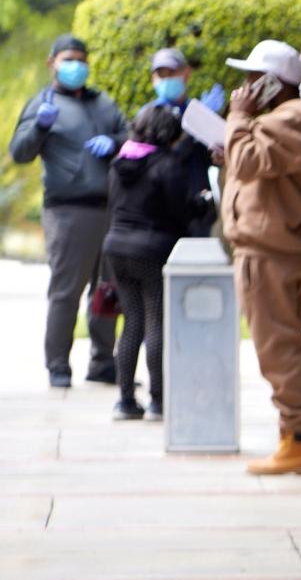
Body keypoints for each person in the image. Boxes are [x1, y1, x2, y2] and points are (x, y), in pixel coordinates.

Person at [220, 39, 301, 476]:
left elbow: (250, 161)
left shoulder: (291, 119)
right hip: (282, 248)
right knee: (285, 343)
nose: (244, 88)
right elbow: (259, 166)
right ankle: (293, 436)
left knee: (277, 348)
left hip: (269, 251)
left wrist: (237, 118)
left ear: (273, 83)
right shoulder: (295, 121)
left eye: (252, 80)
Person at [10, 34, 128, 388]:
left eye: (81, 58)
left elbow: (130, 137)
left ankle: (103, 362)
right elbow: (20, 152)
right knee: (66, 291)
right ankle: (58, 365)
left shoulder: (104, 103)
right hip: (68, 211)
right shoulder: (42, 104)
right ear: (53, 63)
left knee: (108, 289)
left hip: (110, 207)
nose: (75, 65)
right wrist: (40, 126)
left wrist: (116, 143)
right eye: (68, 59)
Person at [101, 103, 194, 421]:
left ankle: (125, 400)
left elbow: (113, 205)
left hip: (116, 247)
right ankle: (157, 402)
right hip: (153, 250)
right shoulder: (168, 164)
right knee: (155, 322)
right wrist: (200, 208)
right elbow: (179, 212)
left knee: (131, 323)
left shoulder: (119, 161)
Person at [144, 48, 224, 237]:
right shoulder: (149, 115)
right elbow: (163, 159)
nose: (166, 79)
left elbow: (211, 157)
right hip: (165, 207)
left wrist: (211, 127)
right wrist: (194, 127)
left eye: (171, 73)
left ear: (186, 73)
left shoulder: (197, 110)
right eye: (161, 74)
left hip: (199, 203)